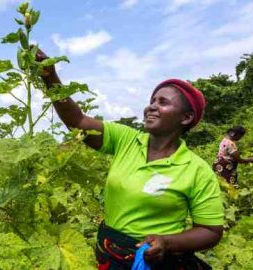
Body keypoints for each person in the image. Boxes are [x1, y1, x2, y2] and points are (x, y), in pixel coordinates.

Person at [36, 48, 224, 269]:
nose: (151, 106)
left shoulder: (196, 169)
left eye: (163, 102)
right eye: (152, 100)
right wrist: (50, 77)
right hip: (110, 253)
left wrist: (166, 242)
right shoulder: (126, 139)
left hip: (155, 262)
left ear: (186, 117)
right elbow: (77, 121)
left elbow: (211, 231)